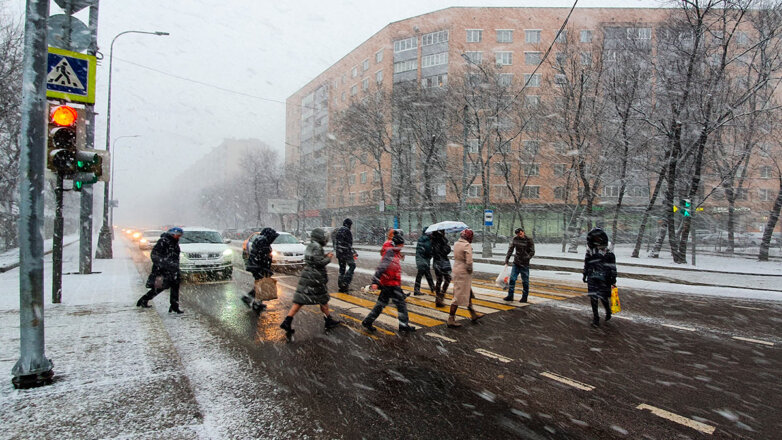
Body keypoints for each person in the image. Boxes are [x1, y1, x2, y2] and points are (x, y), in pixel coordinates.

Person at [279, 228, 341, 339]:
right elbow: (318, 263)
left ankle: (287, 320)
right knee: (322, 299)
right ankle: (328, 320)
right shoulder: (317, 247)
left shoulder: (312, 245)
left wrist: (324, 256)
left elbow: (312, 259)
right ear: (320, 237)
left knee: (300, 301)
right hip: (315, 277)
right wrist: (328, 258)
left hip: (308, 275)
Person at [362, 234, 416, 333]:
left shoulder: (394, 252)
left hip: (391, 283)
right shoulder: (390, 253)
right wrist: (375, 281)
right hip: (390, 284)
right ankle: (403, 325)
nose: (402, 246)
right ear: (398, 244)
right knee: (400, 305)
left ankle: (368, 321)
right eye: (401, 244)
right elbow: (382, 267)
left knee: (381, 305)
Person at [137, 227, 184, 314]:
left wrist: (175, 267)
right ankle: (143, 300)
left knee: (175, 287)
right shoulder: (163, 241)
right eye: (177, 235)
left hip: (173, 269)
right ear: (172, 234)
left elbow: (175, 256)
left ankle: (174, 306)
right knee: (159, 288)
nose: (178, 237)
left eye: (179, 235)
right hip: (163, 270)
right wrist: (164, 264)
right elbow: (154, 255)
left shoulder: (174, 242)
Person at [582, 228, 617, 327]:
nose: (596, 239)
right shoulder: (590, 249)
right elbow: (587, 262)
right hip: (592, 276)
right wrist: (585, 273)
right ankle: (596, 318)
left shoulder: (608, 249)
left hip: (604, 277)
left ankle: (608, 311)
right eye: (595, 238)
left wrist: (613, 277)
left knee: (603, 297)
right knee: (593, 298)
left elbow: (612, 265)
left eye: (598, 237)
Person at [448, 229, 483, 328]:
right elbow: (469, 261)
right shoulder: (466, 245)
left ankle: (473, 314)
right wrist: (470, 270)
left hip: (456, 269)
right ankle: (451, 319)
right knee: (458, 296)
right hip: (463, 273)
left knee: (467, 292)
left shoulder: (457, 243)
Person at [243, 227, 279, 312]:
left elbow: (263, 257)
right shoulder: (263, 242)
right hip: (257, 267)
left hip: (256, 266)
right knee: (261, 285)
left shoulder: (262, 240)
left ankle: (253, 301)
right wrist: (265, 269)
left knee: (260, 284)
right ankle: (254, 303)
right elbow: (263, 257)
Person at [503, 227, 536, 303]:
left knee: (525, 281)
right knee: (512, 279)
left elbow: (532, 251)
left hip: (525, 264)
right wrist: (507, 259)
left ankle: (524, 297)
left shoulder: (529, 240)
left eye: (520, 234)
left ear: (523, 232)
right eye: (518, 234)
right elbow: (511, 249)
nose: (519, 235)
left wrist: (527, 257)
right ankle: (510, 296)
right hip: (516, 262)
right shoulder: (515, 239)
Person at [334, 218, 358, 293]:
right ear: (349, 225)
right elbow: (348, 244)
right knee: (352, 265)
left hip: (339, 253)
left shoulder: (338, 231)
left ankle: (341, 285)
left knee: (342, 269)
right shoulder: (347, 231)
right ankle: (345, 282)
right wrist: (352, 252)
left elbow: (337, 243)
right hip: (346, 253)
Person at [430, 230, 451, 308]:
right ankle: (440, 296)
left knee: (439, 280)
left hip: (437, 262)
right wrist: (446, 245)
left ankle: (438, 298)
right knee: (447, 279)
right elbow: (446, 251)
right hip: (442, 262)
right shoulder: (441, 240)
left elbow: (432, 252)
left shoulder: (433, 241)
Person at [413, 227, 435, 296]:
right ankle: (417, 290)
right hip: (423, 260)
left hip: (421, 260)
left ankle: (432, 287)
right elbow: (428, 251)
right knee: (421, 275)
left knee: (427, 274)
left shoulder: (423, 239)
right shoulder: (427, 240)